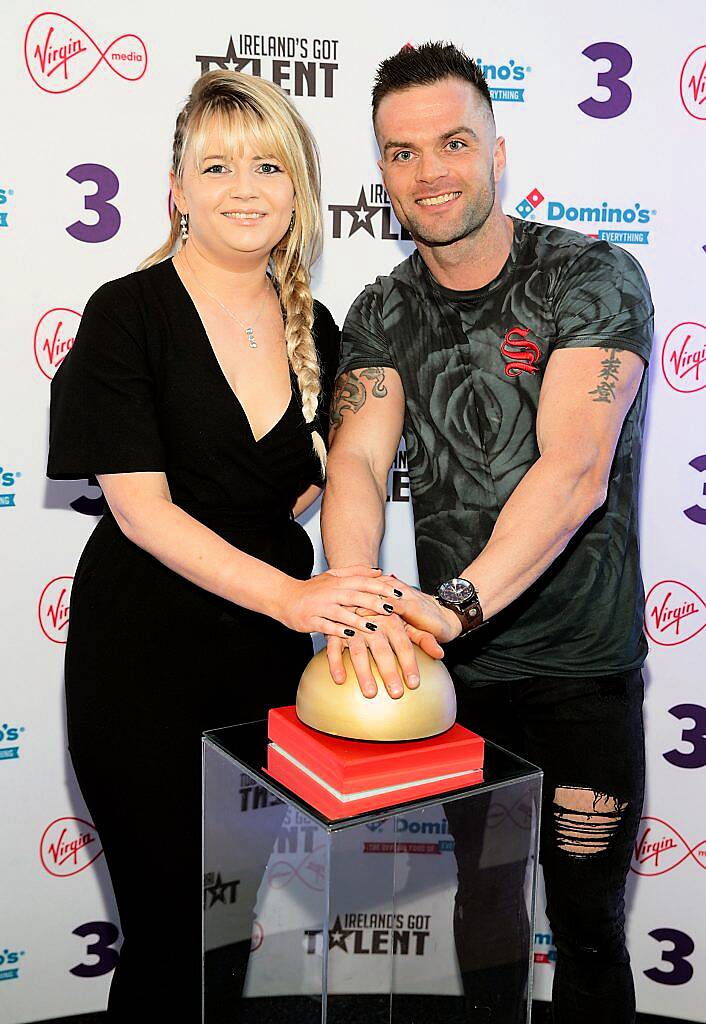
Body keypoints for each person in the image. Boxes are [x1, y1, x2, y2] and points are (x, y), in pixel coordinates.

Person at [47, 70, 402, 1020]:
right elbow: (144, 512)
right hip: (143, 664)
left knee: (240, 937)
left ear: (299, 189)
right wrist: (296, 597)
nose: (244, 187)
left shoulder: (319, 331)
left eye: (268, 165)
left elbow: (321, 482)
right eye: (216, 165)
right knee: (169, 940)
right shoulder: (127, 313)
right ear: (177, 188)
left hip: (263, 668)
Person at [321, 43, 653, 1024]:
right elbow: (356, 463)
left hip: (581, 674)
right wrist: (355, 597)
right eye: (402, 151)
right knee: (480, 919)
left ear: (497, 149)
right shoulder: (381, 309)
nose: (430, 171)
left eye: (453, 142)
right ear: (381, 169)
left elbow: (574, 468)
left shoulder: (588, 274)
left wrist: (455, 604)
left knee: (589, 928)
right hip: (454, 684)